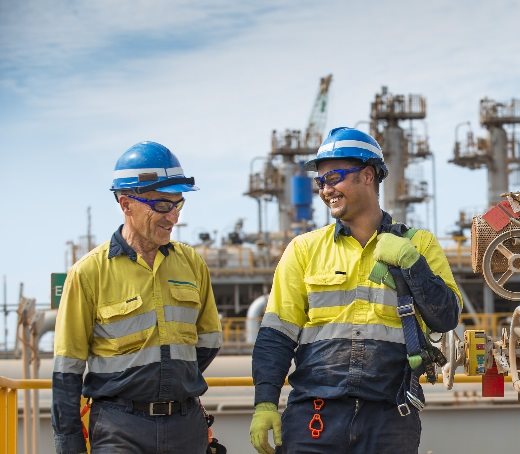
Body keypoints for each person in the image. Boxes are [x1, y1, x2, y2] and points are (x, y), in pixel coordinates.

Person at [249, 127, 462, 453]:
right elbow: (276, 335)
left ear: (367, 175)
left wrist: (413, 264)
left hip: (391, 417)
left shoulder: (418, 244)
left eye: (333, 177)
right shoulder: (304, 249)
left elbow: (445, 317)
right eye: (320, 181)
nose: (325, 189)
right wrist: (265, 402)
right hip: (315, 415)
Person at [52, 141, 223, 453]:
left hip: (185, 425)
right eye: (160, 205)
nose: (172, 217)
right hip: (120, 427)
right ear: (125, 203)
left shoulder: (192, 264)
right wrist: (69, 443)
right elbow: (67, 369)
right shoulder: (88, 273)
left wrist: (171, 381)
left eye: (177, 204)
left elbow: (209, 342)